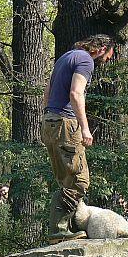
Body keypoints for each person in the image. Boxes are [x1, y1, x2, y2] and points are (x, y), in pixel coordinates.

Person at [41, 34, 115, 244]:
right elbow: (76, 93)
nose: (107, 61)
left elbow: (47, 92)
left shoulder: (66, 57)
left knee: (65, 178)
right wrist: (85, 128)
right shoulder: (85, 60)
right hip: (66, 122)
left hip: (50, 121)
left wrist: (48, 117)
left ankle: (63, 229)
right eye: (108, 56)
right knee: (79, 180)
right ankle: (59, 230)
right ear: (101, 48)